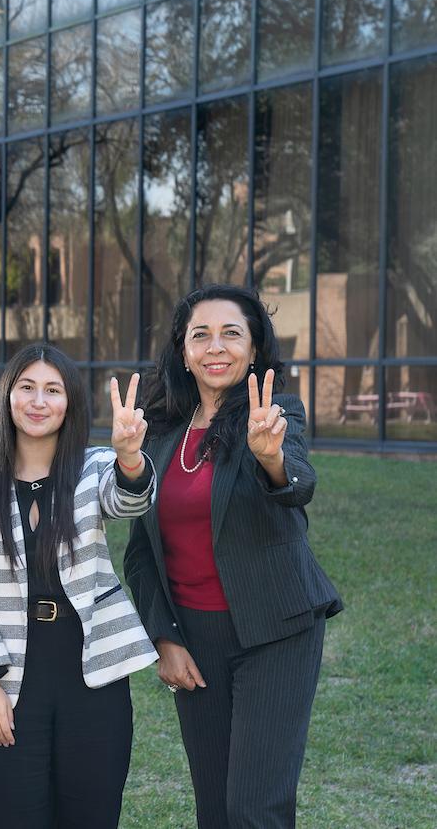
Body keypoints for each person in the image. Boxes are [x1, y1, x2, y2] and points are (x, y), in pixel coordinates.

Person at [123, 283, 342, 828]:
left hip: (276, 628)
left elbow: (297, 484)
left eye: (231, 333)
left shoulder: (275, 412)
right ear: (183, 350)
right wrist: (165, 637)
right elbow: (142, 550)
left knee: (254, 808)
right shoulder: (160, 430)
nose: (215, 346)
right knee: (215, 809)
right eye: (201, 334)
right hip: (195, 638)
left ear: (254, 348)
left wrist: (271, 457)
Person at [0, 342, 159, 829]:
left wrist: (130, 459)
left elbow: (128, 501)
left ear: (70, 404)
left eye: (53, 390)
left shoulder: (94, 466)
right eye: (27, 387)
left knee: (91, 814)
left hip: (92, 675)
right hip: (8, 674)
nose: (39, 401)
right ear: (7, 397)